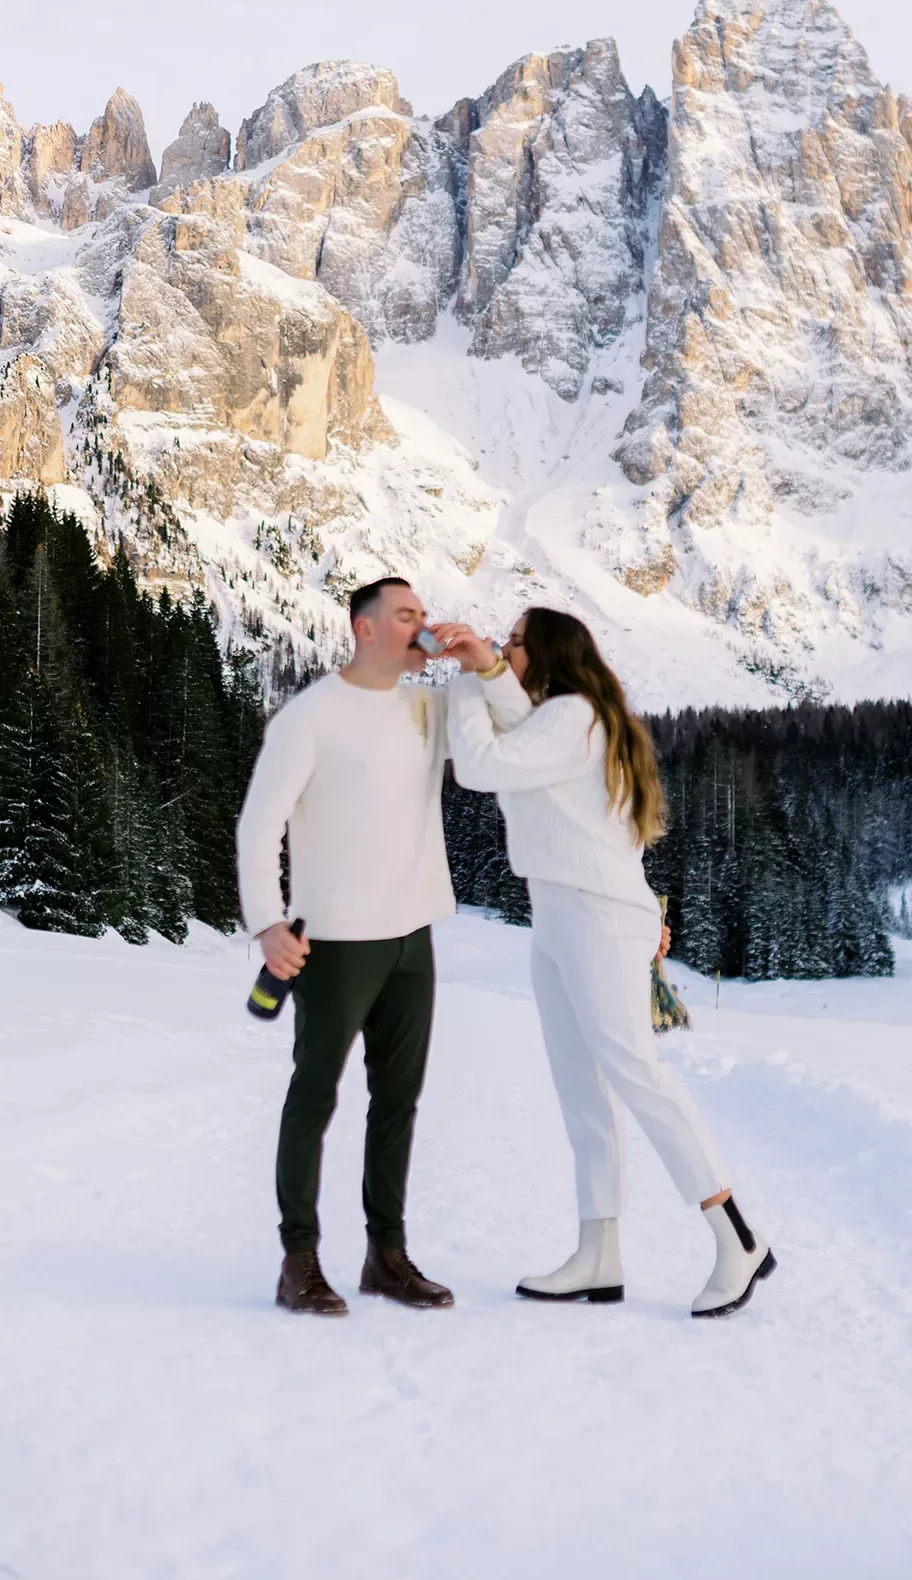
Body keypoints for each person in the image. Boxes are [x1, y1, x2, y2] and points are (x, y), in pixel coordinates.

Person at [438, 608, 776, 1319]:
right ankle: (599, 1254)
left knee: (635, 1072)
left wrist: (470, 676)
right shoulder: (559, 717)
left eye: (513, 642)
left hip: (595, 915)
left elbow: (478, 765)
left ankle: (737, 1235)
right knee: (581, 1088)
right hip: (561, 914)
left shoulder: (575, 716)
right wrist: (488, 670)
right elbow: (513, 722)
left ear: (549, 654)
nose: (503, 648)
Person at [236, 578, 528, 1316]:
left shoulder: (429, 704)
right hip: (335, 942)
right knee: (314, 1098)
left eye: (424, 616)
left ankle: (385, 1257)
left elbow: (517, 730)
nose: (421, 626)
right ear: (364, 629)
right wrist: (268, 924)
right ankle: (298, 1261)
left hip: (413, 937)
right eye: (406, 615)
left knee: (398, 1101)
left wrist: (483, 664)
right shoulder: (310, 717)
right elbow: (258, 824)